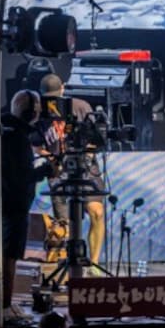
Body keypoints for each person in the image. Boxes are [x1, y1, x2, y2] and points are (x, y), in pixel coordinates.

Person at [35, 73, 106, 275]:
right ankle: (69, 265)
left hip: (85, 166)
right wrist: (52, 158)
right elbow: (36, 145)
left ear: (64, 89)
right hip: (58, 170)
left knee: (97, 212)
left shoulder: (81, 107)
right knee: (65, 223)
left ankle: (93, 263)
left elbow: (97, 138)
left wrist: (87, 154)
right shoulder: (39, 112)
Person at [1, 90, 55, 324]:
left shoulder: (4, 131)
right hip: (14, 204)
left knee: (5, 255)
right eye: (38, 111)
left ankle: (2, 303)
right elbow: (22, 176)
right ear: (30, 112)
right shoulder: (18, 139)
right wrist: (47, 169)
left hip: (2, 201)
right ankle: (5, 307)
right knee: (10, 257)